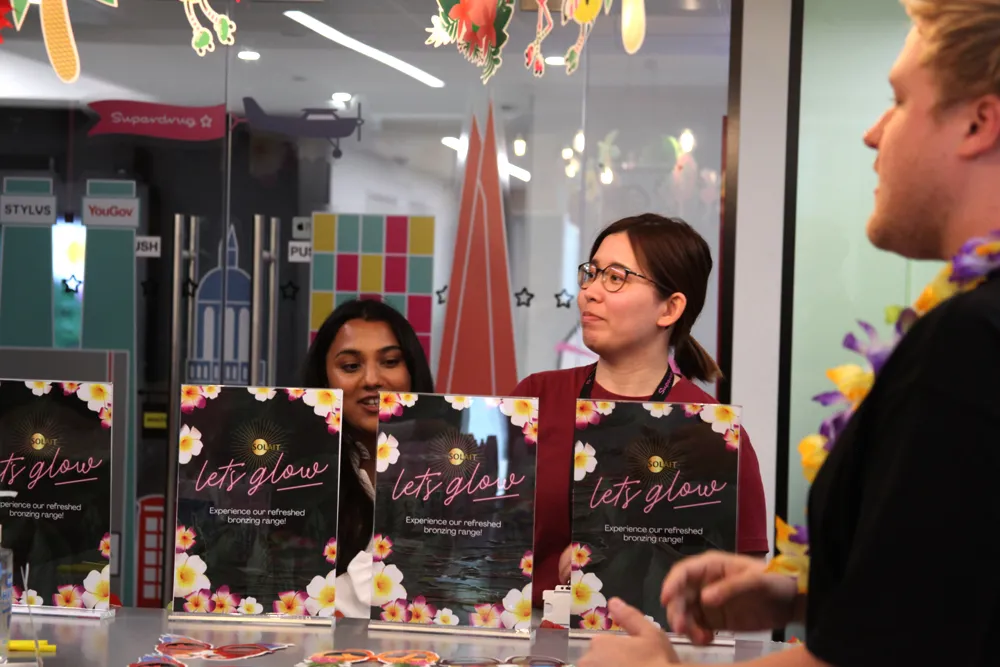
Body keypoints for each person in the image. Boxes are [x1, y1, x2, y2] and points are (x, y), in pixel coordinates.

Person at [581, 2, 1000, 666]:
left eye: (897, 101)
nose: (872, 133)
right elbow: (956, 594)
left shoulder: (970, 344)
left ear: (979, 122)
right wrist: (799, 595)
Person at [512, 213, 769, 611]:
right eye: (591, 273)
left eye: (615, 277)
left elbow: (745, 584)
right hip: (531, 645)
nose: (589, 292)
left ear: (669, 308)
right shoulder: (535, 399)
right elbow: (483, 532)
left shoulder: (711, 430)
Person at [301, 298, 434, 618]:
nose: (372, 379)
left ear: (412, 370)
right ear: (324, 380)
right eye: (350, 366)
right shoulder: (292, 476)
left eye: (390, 362)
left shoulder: (458, 471)